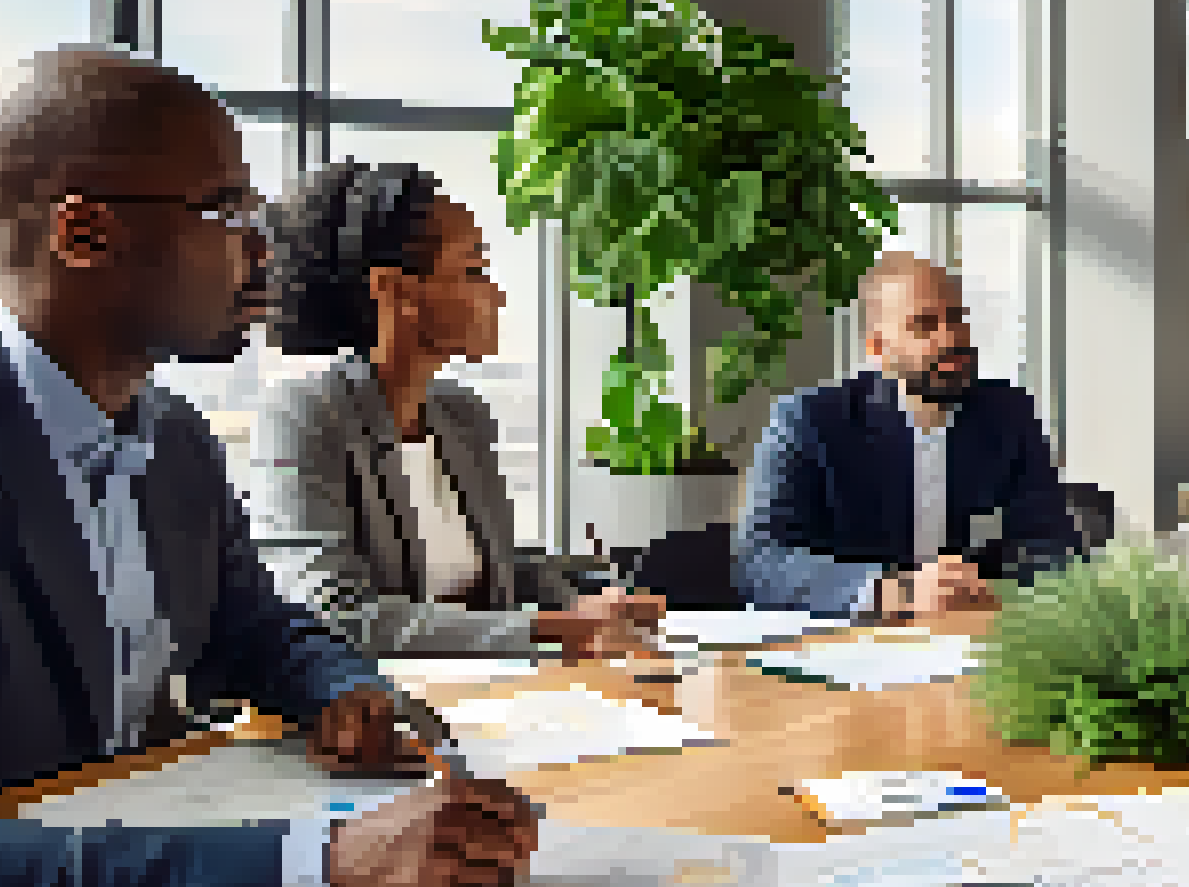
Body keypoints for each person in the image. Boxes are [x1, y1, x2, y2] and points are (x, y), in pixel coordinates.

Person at [0, 46, 536, 887]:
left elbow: (252, 626)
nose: (263, 250)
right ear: (84, 235)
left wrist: (343, 688)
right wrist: (321, 871)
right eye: (228, 210)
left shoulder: (174, 436)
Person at [257, 160, 663, 658]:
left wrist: (598, 602)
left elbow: (502, 570)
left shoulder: (462, 415)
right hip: (380, 708)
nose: (496, 294)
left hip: (496, 700)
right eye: (472, 270)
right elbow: (337, 615)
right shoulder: (305, 415)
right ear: (396, 291)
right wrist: (548, 628)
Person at [737, 252, 1080, 618]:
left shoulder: (1008, 413)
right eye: (924, 325)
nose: (950, 337)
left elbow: (1051, 546)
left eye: (956, 318)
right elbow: (761, 562)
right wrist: (897, 592)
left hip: (974, 640)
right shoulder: (808, 420)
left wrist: (990, 590)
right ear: (879, 349)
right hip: (850, 644)